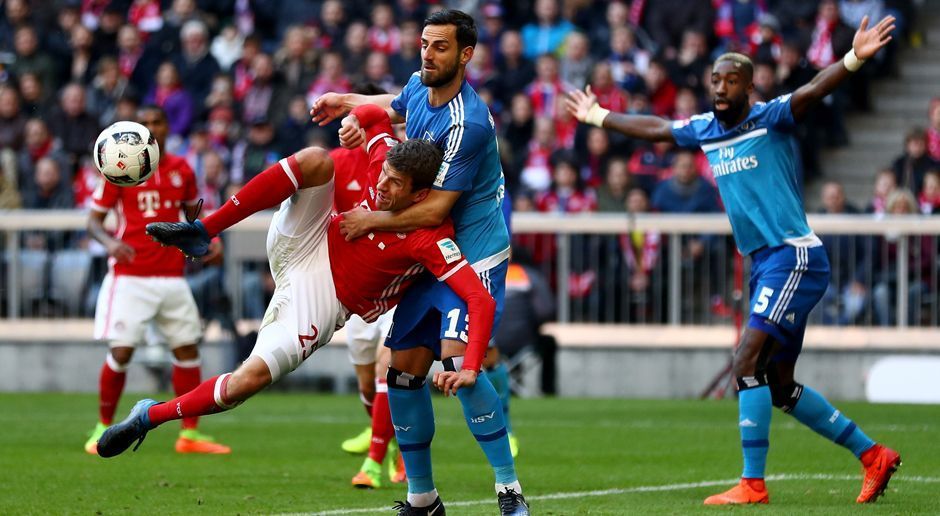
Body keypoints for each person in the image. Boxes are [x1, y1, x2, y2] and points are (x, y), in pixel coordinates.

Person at [567, 14, 900, 505]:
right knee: (780, 385)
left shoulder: (771, 117)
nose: (720, 88)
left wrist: (852, 58)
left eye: (731, 81)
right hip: (770, 263)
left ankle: (752, 484)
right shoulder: (706, 128)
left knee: (746, 360)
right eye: (715, 81)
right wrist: (599, 117)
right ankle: (873, 455)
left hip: (794, 257)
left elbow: (811, 90)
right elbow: (658, 128)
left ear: (749, 87)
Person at [95, 108, 497, 487]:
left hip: (325, 301)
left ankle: (148, 416)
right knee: (318, 160)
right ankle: (206, 228)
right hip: (311, 238)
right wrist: (354, 115)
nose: (381, 185)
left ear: (422, 193)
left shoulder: (432, 238)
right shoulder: (383, 160)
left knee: (244, 383)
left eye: (394, 184)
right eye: (384, 175)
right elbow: (376, 117)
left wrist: (472, 365)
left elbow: (480, 299)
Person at [310, 9, 527, 515]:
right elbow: (395, 103)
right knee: (404, 373)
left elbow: (435, 207)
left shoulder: (467, 123)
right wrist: (350, 103)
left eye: (441, 47)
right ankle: (422, 499)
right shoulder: (418, 84)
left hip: (472, 252)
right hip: (430, 252)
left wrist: (368, 220)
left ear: (466, 54)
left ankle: (509, 489)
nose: (428, 54)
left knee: (457, 362)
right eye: (425, 44)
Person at [83, 105, 230, 456]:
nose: (153, 127)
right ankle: (103, 426)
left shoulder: (181, 169)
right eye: (145, 123)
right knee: (121, 351)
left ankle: (189, 435)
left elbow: (194, 213)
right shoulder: (119, 166)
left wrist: (212, 239)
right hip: (131, 276)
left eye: (157, 122)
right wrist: (110, 242)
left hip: (171, 275)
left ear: (165, 128)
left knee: (187, 351)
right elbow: (92, 221)